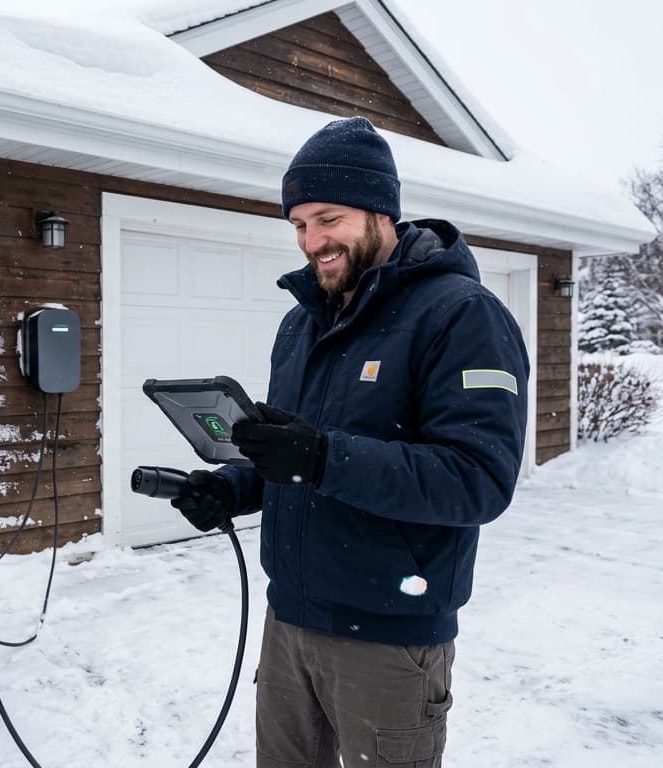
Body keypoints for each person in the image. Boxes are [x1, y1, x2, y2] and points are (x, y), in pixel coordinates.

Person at [170, 116, 529, 768]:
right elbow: (292, 452)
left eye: (327, 218)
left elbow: (478, 477)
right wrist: (233, 486)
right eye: (299, 224)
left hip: (389, 642)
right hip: (290, 623)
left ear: (380, 211)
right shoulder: (300, 326)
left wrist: (323, 458)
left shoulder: (460, 315)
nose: (312, 240)